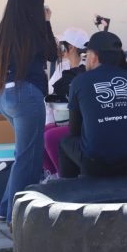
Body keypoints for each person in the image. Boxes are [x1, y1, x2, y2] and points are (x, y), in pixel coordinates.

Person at [0, 0, 58, 225]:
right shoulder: (33, 25)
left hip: (6, 95)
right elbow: (52, 53)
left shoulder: (7, 25)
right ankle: (17, 217)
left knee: (23, 154)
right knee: (29, 158)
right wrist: (47, 22)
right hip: (27, 96)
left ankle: (4, 208)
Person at [59, 31, 127, 178]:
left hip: (96, 164)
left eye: (87, 55)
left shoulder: (79, 81)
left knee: (65, 142)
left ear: (94, 57)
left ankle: (70, 189)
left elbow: (74, 130)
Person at [43, 27, 89, 178]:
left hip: (82, 123)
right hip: (65, 118)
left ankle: (62, 178)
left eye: (63, 45)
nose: (60, 49)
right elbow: (51, 93)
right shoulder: (63, 66)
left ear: (72, 47)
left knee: (49, 136)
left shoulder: (86, 69)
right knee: (40, 132)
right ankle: (52, 175)